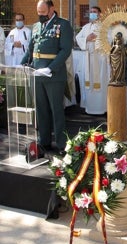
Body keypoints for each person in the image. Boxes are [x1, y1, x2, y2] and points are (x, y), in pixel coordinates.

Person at [21, 0, 73, 154]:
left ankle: (62, 144)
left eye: (43, 12)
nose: (41, 15)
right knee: (41, 110)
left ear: (52, 9)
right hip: (37, 74)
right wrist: (21, 64)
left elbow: (65, 50)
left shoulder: (63, 25)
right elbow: (30, 48)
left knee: (56, 110)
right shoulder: (36, 26)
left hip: (53, 75)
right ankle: (44, 141)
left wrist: (50, 68)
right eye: (39, 12)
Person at [75, 6, 109, 114]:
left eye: (94, 12)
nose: (92, 14)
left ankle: (101, 108)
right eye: (91, 12)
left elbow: (109, 39)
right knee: (88, 81)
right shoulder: (86, 27)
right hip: (88, 58)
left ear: (99, 14)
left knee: (101, 81)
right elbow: (77, 38)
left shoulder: (104, 27)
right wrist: (86, 39)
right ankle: (90, 108)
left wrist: (97, 39)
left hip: (100, 59)